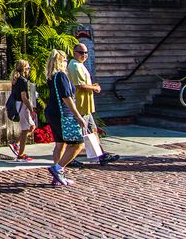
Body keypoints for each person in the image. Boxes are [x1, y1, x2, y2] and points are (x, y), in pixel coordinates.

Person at [67, 43, 120, 166]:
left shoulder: (80, 65)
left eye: (86, 53)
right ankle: (68, 158)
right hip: (80, 105)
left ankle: (101, 155)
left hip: (86, 105)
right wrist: (94, 88)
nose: (84, 55)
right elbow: (79, 85)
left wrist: (93, 87)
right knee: (77, 134)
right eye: (81, 53)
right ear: (74, 53)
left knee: (93, 130)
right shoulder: (74, 65)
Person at [45, 49, 88, 187]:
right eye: (64, 60)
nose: (66, 63)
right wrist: (78, 115)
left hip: (52, 113)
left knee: (60, 144)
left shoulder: (51, 77)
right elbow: (66, 97)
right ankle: (58, 169)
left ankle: (58, 176)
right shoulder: (61, 76)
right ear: (60, 62)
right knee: (77, 143)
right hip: (63, 113)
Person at [8, 59, 36, 162]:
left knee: (31, 127)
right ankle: (21, 154)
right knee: (25, 129)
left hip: (17, 104)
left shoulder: (16, 80)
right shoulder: (23, 80)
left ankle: (17, 144)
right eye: (28, 68)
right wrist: (31, 109)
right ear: (24, 69)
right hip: (22, 106)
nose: (29, 70)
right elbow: (24, 97)